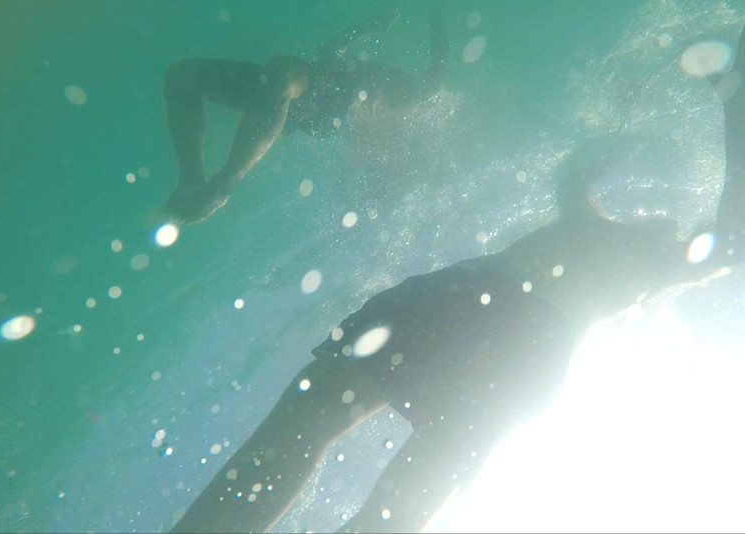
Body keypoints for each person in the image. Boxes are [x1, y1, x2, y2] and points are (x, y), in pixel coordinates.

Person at [170, 33, 745, 534]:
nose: (670, 220)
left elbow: (732, 242)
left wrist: (731, 94)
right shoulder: (593, 222)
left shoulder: (656, 262)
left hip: (489, 320)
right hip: (490, 324)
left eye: (678, 227)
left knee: (356, 459)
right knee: (352, 454)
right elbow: (579, 176)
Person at [161, 4, 449, 224]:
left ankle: (224, 183)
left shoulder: (404, 93)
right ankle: (190, 180)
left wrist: (438, 20)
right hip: (305, 88)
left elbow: (434, 80)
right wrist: (368, 26)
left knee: (282, 75)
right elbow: (327, 52)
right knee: (181, 77)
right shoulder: (367, 75)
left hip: (323, 105)